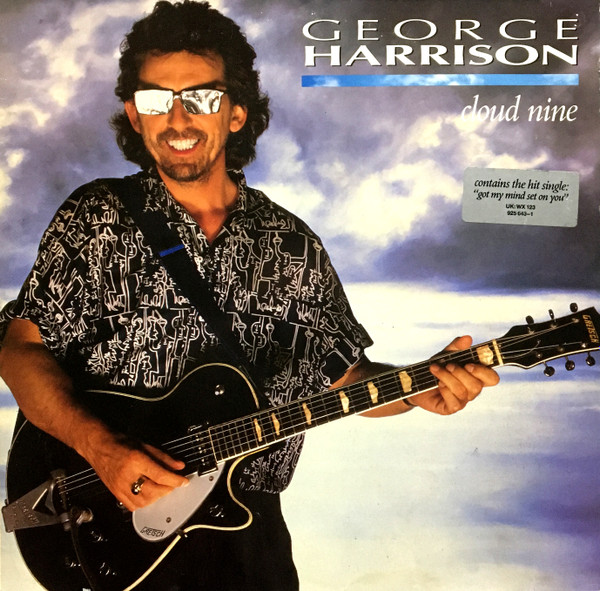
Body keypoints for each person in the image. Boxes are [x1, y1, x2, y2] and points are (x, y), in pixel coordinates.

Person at [0, 1, 499, 589]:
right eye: (157, 100)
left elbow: (343, 378)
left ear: (236, 113)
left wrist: (419, 389)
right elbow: (19, 349)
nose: (178, 119)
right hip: (111, 521)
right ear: (134, 114)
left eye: (202, 99)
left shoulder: (293, 246)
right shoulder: (97, 216)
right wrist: (102, 449)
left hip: (248, 541)